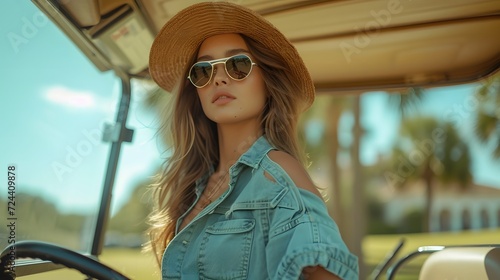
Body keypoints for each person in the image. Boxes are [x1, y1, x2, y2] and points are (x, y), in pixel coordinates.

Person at [146, 2, 359, 279]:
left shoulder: (278, 172)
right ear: (195, 90)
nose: (219, 78)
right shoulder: (196, 182)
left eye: (238, 64)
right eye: (203, 70)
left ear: (267, 81)